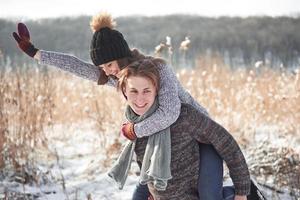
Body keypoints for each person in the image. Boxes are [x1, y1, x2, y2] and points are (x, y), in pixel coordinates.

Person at [12, 12, 236, 200]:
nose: (106, 70)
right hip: (166, 145)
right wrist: (36, 53)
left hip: (201, 138)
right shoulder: (118, 77)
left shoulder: (159, 70)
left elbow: (169, 113)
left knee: (209, 197)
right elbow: (76, 66)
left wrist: (134, 130)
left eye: (108, 64)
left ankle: (243, 194)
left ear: (121, 56)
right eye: (101, 66)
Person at [115, 59, 251, 200]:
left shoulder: (183, 116)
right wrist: (153, 192)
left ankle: (247, 194)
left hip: (198, 183)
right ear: (125, 90)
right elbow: (146, 164)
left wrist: (242, 192)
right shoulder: (134, 125)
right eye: (134, 91)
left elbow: (227, 144)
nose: (139, 99)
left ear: (156, 90)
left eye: (146, 91)